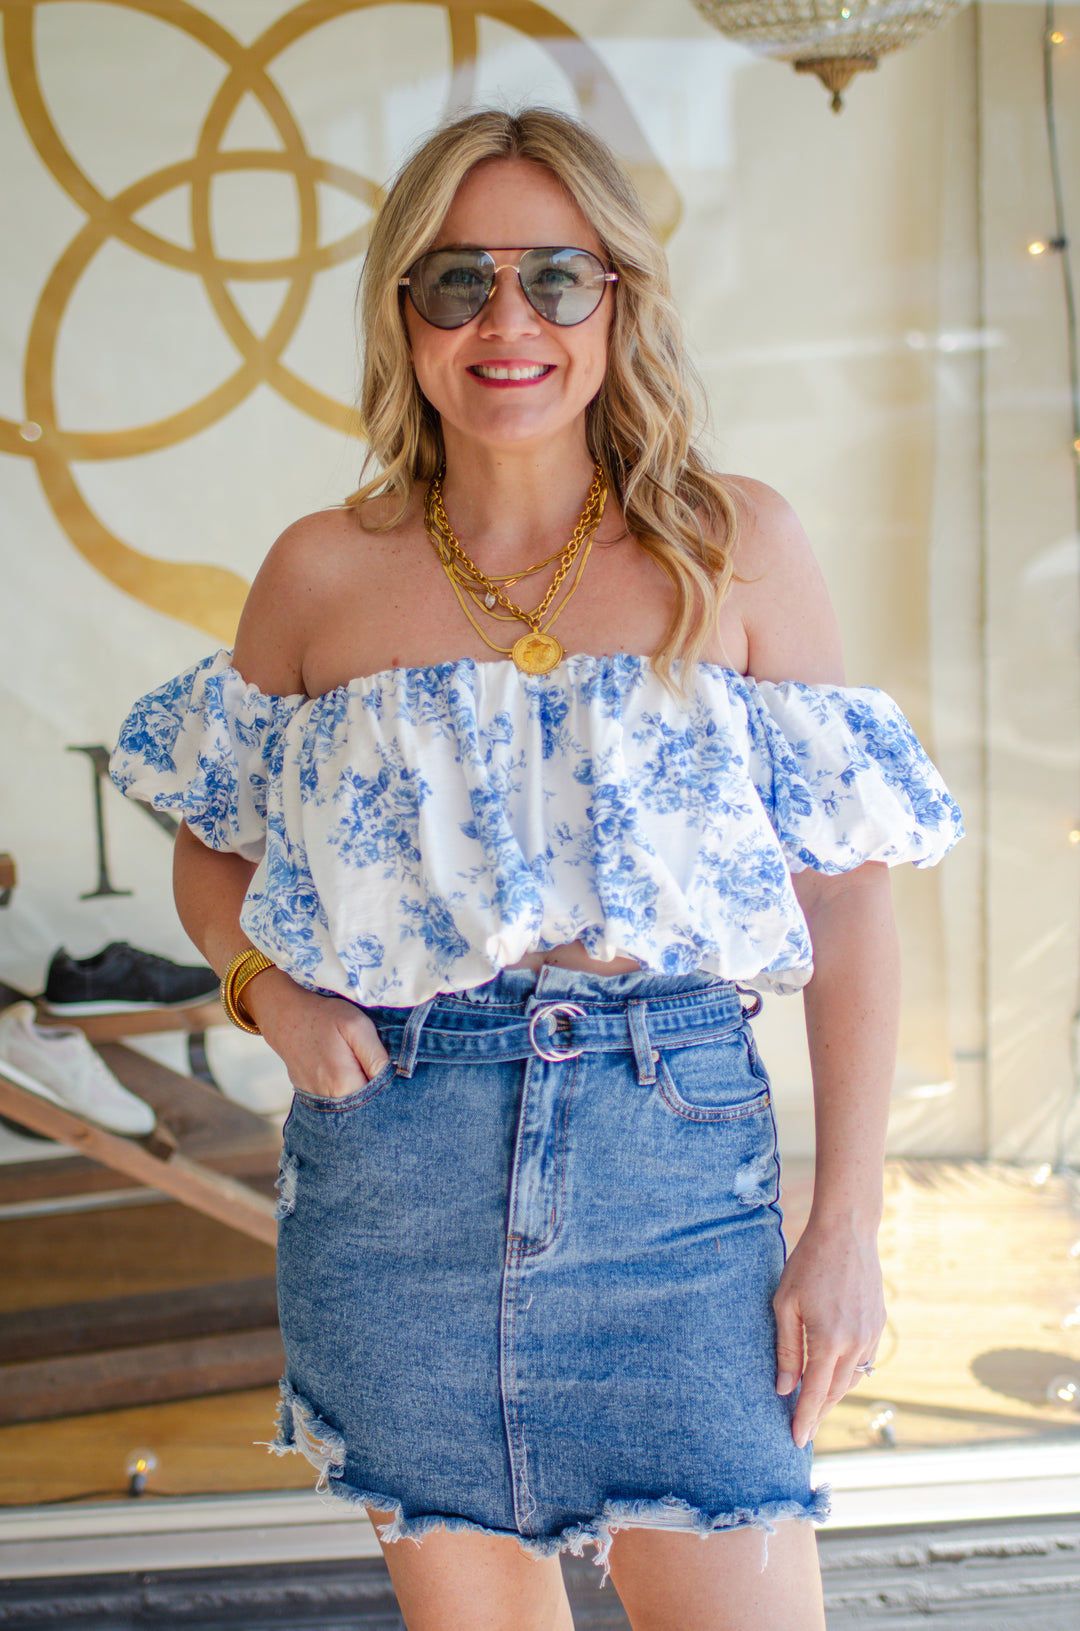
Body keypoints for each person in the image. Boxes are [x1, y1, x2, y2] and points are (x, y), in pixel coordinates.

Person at [111, 108, 962, 1631]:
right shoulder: (322, 571)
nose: (509, 321)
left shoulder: (735, 545)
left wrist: (847, 1229)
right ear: (403, 315)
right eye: (458, 282)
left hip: (680, 1178)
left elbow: (846, 895)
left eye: (557, 278)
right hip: (395, 1182)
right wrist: (267, 994)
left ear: (618, 301)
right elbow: (205, 835)